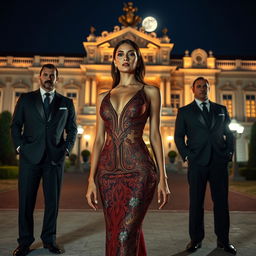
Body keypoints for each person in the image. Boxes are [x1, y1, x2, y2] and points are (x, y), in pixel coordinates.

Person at [86, 39, 170, 256]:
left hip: (139, 172)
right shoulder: (102, 96)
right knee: (114, 232)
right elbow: (97, 140)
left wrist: (163, 178)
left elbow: (155, 135)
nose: (125, 58)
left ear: (137, 59)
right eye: (121, 54)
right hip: (107, 175)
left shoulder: (150, 91)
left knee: (126, 233)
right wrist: (90, 181)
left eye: (131, 54)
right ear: (114, 61)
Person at [11, 64, 77, 256]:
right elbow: (15, 126)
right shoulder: (26, 99)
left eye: (52, 75)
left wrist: (66, 149)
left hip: (54, 159)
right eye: (46, 75)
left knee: (52, 203)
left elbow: (72, 129)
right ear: (40, 77)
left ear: (57, 79)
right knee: (25, 202)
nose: (49, 78)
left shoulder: (66, 102)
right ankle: (24, 242)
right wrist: (20, 147)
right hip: (29, 157)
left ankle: (49, 240)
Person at [174, 77, 237, 255]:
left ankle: (224, 240)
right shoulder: (185, 111)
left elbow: (229, 134)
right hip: (197, 164)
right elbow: (179, 137)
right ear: (193, 89)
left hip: (218, 162)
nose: (202, 89)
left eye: (205, 86)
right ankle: (195, 239)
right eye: (199, 86)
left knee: (222, 203)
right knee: (196, 203)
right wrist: (187, 155)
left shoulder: (221, 109)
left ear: (209, 89)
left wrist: (229, 153)